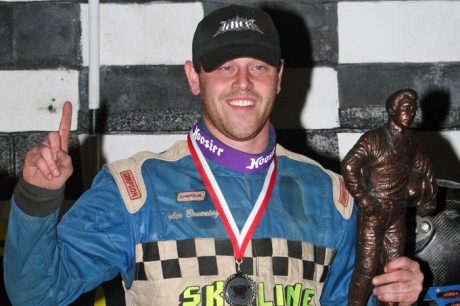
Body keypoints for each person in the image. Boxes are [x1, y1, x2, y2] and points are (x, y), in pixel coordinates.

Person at [5, 5, 423, 306]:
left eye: (257, 67)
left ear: (278, 77)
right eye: (224, 67)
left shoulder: (332, 197)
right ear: (193, 76)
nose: (242, 82)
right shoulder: (134, 189)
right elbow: (35, 294)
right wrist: (37, 199)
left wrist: (396, 293)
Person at [341, 88, 436, 306]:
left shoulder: (411, 144)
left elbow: (425, 170)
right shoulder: (374, 138)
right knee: (366, 268)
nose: (410, 113)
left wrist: (426, 197)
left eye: (413, 109)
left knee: (395, 270)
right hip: (374, 212)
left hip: (398, 214)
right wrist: (364, 198)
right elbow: (349, 165)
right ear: (391, 110)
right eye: (405, 108)